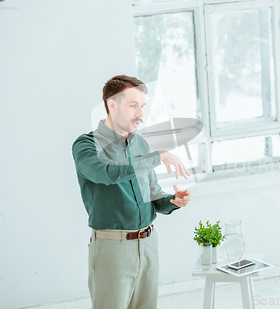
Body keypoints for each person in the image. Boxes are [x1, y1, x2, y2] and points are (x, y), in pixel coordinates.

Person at [71, 75, 192, 309]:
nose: (140, 114)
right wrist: (157, 157)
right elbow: (105, 174)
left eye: (142, 106)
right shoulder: (86, 145)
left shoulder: (140, 144)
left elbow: (154, 196)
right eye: (133, 105)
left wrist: (173, 201)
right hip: (112, 249)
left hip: (148, 245)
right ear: (112, 105)